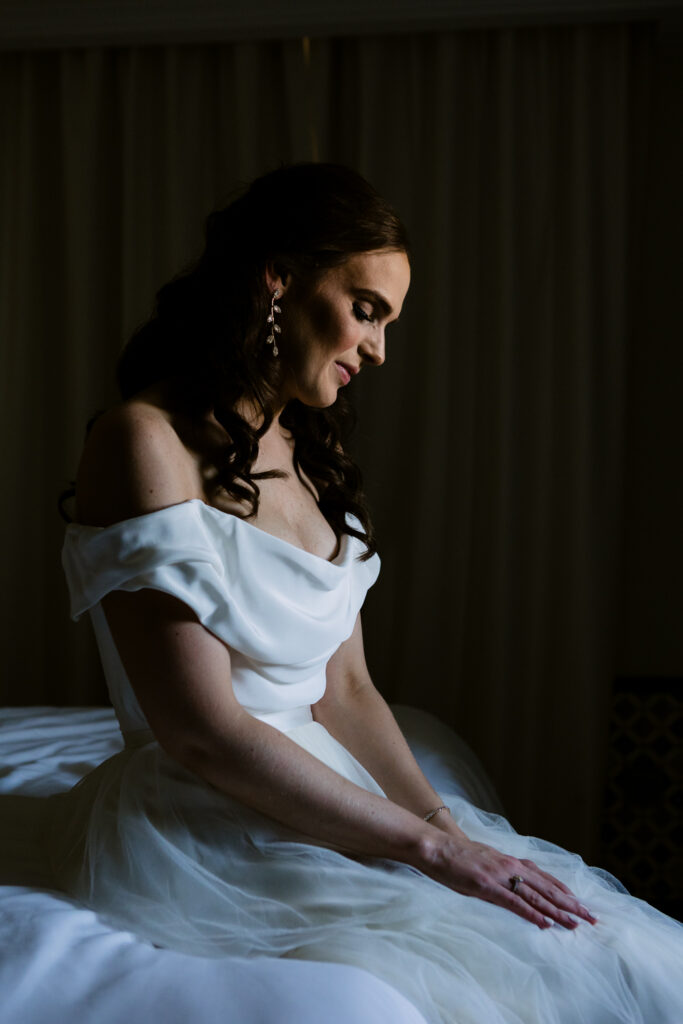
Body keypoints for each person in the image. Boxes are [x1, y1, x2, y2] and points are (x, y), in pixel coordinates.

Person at [54, 163, 683, 1023]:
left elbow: (346, 691)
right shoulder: (142, 440)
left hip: (331, 785)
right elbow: (200, 730)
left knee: (599, 945)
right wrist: (423, 848)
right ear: (278, 280)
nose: (379, 349)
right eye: (366, 310)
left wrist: (445, 828)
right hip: (210, 816)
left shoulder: (310, 455)